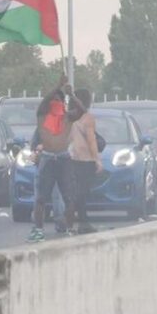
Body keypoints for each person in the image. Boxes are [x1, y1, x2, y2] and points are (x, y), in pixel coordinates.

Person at [27, 76, 84, 243]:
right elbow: (43, 103)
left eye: (59, 100)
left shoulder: (67, 117)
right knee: (41, 198)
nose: (55, 103)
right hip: (47, 158)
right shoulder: (42, 116)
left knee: (68, 197)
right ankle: (38, 229)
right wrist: (57, 86)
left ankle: (69, 228)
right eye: (53, 100)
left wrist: (72, 95)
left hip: (63, 158)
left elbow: (81, 111)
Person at [68, 89, 101, 235]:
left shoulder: (68, 117)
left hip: (69, 158)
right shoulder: (87, 119)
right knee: (82, 192)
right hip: (85, 159)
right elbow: (91, 140)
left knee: (73, 192)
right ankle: (83, 221)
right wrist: (97, 159)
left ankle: (70, 222)